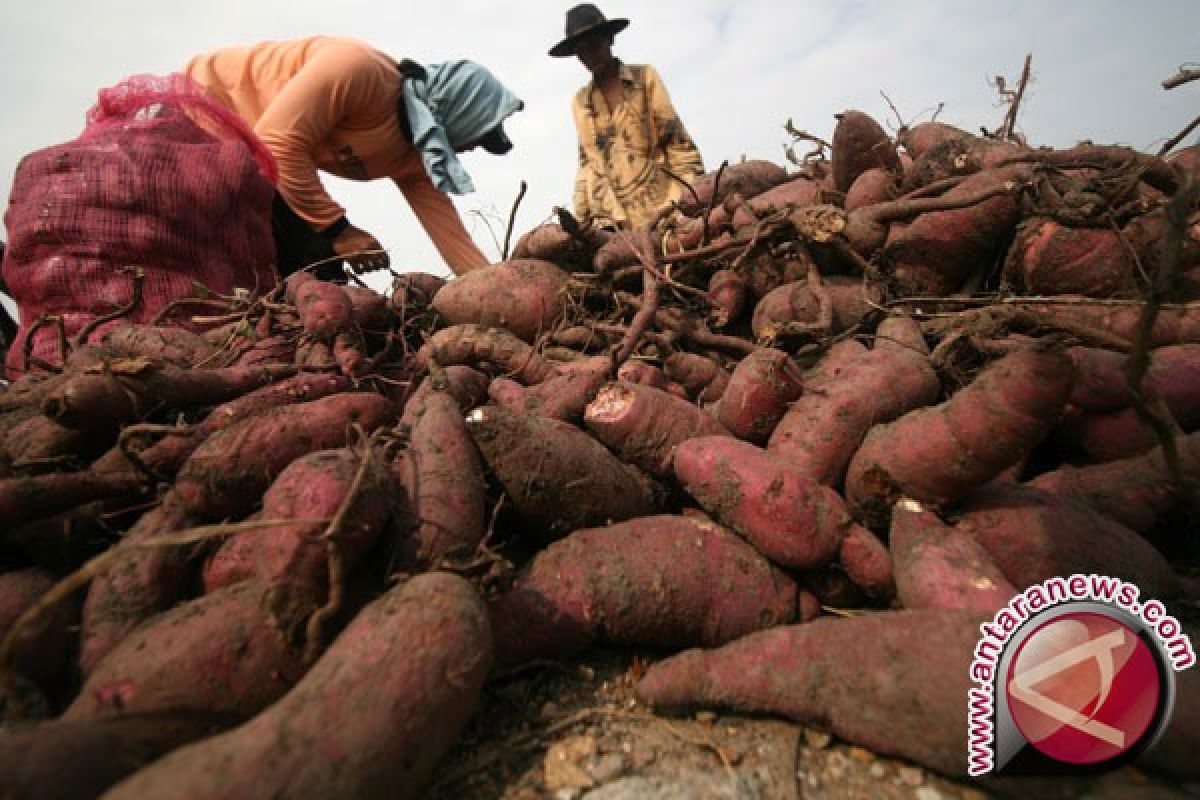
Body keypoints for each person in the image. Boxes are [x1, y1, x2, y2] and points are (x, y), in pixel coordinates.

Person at [185, 36, 523, 280]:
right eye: (480, 135)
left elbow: (452, 238)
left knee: (320, 272)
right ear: (458, 112)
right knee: (309, 265)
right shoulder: (358, 70)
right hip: (205, 109)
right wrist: (341, 232)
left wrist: (492, 287)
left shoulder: (415, 158)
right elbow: (276, 143)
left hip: (260, 160)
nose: (475, 148)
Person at [550, 4, 704, 231]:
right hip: (612, 224)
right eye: (581, 50)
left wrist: (685, 202)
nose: (590, 55)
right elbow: (587, 164)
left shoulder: (644, 78)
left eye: (595, 44)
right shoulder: (580, 102)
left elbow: (677, 144)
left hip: (663, 211)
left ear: (610, 39)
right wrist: (581, 223)